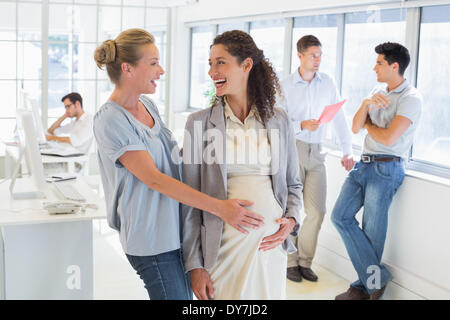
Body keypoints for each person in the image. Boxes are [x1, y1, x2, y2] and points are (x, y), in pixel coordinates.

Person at [92, 28, 265, 300]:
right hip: (152, 242)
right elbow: (154, 179)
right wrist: (221, 208)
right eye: (153, 63)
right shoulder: (110, 119)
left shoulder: (148, 106)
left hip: (174, 232)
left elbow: (170, 161)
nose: (161, 70)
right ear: (127, 68)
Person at [182, 30, 303, 300]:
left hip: (269, 247)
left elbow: (294, 183)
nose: (212, 71)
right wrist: (195, 265)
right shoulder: (197, 124)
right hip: (222, 248)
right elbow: (188, 201)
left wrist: (292, 220)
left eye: (220, 62)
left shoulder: (279, 120)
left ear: (246, 65)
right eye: (210, 63)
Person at [331, 42, 422, 300]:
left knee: (372, 232)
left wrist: (369, 124)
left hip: (387, 167)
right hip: (363, 164)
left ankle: (363, 288)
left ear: (395, 66)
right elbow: (355, 127)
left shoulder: (411, 98)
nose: (374, 67)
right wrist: (365, 104)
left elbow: (390, 138)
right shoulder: (376, 91)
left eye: (379, 63)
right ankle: (375, 281)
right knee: (339, 216)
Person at [280, 35, 354, 283]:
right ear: (299, 56)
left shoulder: (328, 83)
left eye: (320, 55)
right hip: (293, 149)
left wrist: (347, 150)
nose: (318, 59)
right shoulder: (285, 85)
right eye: (313, 55)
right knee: (292, 209)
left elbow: (339, 118)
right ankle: (289, 261)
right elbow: (276, 123)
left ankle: (304, 261)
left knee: (317, 211)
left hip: (318, 152)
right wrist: (301, 125)